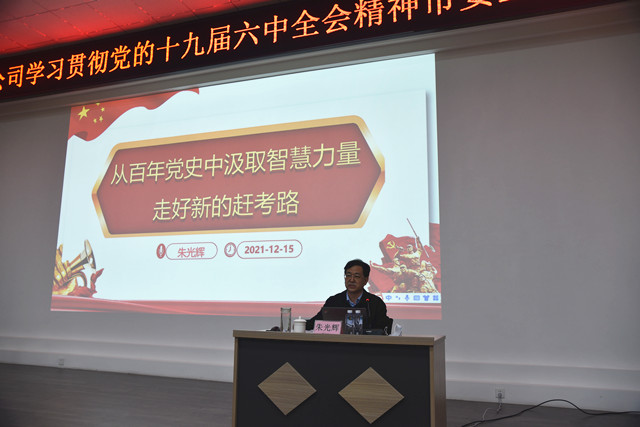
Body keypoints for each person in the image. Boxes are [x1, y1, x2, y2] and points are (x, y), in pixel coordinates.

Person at [306, 259, 393, 332]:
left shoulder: (375, 303)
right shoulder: (334, 301)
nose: (351, 280)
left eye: (356, 276)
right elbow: (315, 323)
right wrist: (301, 324)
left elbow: (383, 329)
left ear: (366, 280)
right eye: (348, 275)